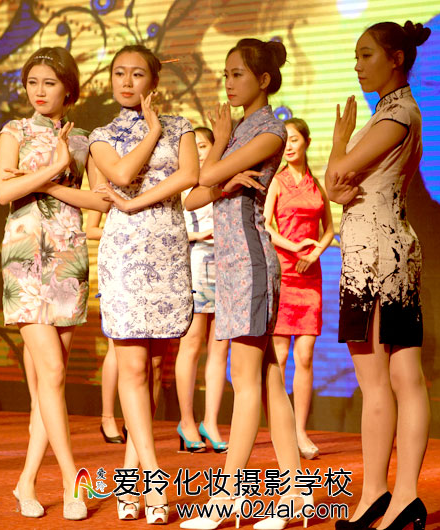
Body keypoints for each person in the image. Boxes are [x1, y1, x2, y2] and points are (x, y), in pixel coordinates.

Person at [181, 38, 306, 530]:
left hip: (252, 263)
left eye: (237, 74)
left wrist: (219, 143)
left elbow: (206, 173)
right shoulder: (239, 131)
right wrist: (225, 182)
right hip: (231, 265)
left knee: (247, 379)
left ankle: (227, 498)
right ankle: (295, 494)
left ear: (264, 80)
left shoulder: (269, 131)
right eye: (226, 74)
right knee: (269, 377)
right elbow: (194, 197)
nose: (228, 83)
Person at [326, 21, 431, 530]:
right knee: (395, 379)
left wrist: (338, 142)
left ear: (396, 58)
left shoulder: (397, 114)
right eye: (355, 55)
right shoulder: (390, 112)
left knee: (392, 381)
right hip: (379, 252)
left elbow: (335, 176)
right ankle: (381, 495)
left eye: (366, 54)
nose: (357, 65)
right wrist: (338, 181)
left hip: (377, 260)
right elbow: (337, 187)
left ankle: (397, 494)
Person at [0, 46, 103, 521]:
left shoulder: (83, 140)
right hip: (23, 257)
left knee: (47, 386)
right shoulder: (14, 131)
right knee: (53, 373)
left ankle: (26, 481)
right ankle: (72, 480)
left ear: (68, 89)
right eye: (32, 82)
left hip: (68, 257)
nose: (38, 91)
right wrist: (52, 170)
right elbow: (3, 190)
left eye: (49, 83)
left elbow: (99, 200)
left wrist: (49, 180)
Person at [90, 44, 198, 524]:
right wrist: (152, 131)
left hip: (168, 251)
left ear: (154, 81)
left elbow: (190, 175)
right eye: (119, 73)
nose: (127, 82)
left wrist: (136, 202)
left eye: (137, 74)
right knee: (132, 367)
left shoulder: (183, 125)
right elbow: (122, 173)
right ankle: (153, 481)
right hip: (125, 254)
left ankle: (129, 481)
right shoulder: (101, 135)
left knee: (152, 368)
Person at [263, 117, 334, 460]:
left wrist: (316, 251)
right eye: (284, 141)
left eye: (294, 139)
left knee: (305, 355)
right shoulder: (276, 182)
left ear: (306, 142)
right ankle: (281, 428)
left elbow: (329, 228)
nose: (289, 146)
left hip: (310, 275)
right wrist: (294, 247)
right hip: (284, 271)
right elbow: (265, 226)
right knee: (279, 356)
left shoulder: (317, 184)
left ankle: (300, 431)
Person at [85, 210, 164, 446]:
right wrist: (128, 234)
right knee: (116, 348)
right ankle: (107, 417)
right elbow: (90, 229)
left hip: (152, 268)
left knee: (153, 361)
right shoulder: (110, 190)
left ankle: (136, 423)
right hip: (120, 266)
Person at [174, 126, 230, 454]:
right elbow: (170, 230)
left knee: (220, 347)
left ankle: (211, 421)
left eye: (204, 145)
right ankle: (186, 421)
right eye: (193, 146)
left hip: (225, 266)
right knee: (192, 344)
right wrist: (199, 235)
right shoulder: (181, 183)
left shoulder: (224, 182)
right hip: (194, 264)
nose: (198, 151)